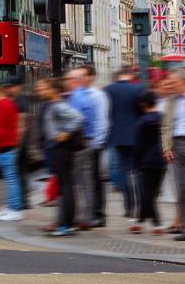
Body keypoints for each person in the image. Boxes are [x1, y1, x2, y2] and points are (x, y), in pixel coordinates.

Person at [38, 77, 84, 237]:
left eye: (44, 88)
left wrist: (65, 133)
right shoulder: (52, 105)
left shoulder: (58, 106)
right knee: (63, 187)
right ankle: (64, 223)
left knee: (66, 187)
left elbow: (78, 118)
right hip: (57, 149)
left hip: (61, 149)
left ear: (54, 90)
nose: (40, 91)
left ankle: (66, 225)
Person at [66, 65, 107, 228]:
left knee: (83, 182)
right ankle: (89, 216)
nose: (67, 81)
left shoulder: (85, 96)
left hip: (85, 143)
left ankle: (89, 216)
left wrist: (98, 143)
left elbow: (101, 121)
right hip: (89, 142)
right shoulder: (83, 95)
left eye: (70, 79)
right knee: (88, 182)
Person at [104, 66, 145, 220]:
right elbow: (143, 113)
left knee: (123, 171)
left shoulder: (109, 90)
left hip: (118, 136)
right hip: (137, 136)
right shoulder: (139, 89)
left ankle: (129, 206)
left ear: (118, 75)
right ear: (130, 75)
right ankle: (141, 205)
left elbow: (107, 113)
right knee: (139, 172)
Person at [133, 91, 166, 234]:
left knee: (148, 193)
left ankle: (156, 223)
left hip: (146, 161)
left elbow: (139, 144)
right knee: (153, 192)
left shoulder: (141, 122)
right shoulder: (163, 118)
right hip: (162, 160)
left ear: (143, 104)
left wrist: (136, 161)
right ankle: (140, 221)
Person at [0, 83, 25, 220]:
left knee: (11, 179)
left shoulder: (0, 105)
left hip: (5, 147)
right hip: (12, 145)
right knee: (12, 178)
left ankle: (15, 209)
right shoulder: (11, 104)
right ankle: (11, 207)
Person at [159, 73, 185, 239]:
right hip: (176, 145)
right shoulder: (171, 101)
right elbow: (166, 126)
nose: (171, 85)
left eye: (174, 82)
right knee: (181, 189)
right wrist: (167, 147)